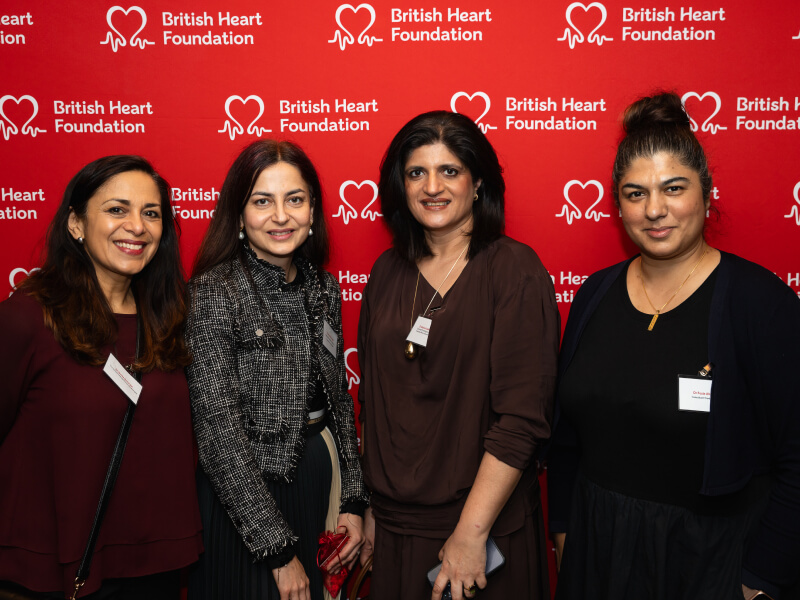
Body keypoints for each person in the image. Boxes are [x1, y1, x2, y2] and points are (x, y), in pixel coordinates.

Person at [547, 92, 800, 600]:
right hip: (599, 553)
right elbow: (566, 438)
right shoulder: (595, 293)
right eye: (635, 193)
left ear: (707, 193)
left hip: (713, 563)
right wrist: (566, 533)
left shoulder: (760, 302)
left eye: (673, 188)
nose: (654, 210)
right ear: (618, 205)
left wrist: (760, 582)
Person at [357, 111, 560, 600]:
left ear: (478, 182)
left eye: (449, 170)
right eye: (417, 172)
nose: (432, 187)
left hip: (480, 533)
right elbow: (375, 405)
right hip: (394, 526)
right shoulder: (386, 272)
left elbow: (521, 421)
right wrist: (372, 511)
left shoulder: (514, 270)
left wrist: (470, 535)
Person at [0, 155, 202, 598]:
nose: (137, 226)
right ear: (76, 224)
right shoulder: (27, 319)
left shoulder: (170, 318)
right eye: (117, 209)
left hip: (155, 568)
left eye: (151, 213)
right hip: (51, 572)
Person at [185, 140, 368, 600]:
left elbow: (339, 399)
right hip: (246, 498)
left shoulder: (323, 287)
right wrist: (277, 551)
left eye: (295, 199)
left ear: (313, 211)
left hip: (319, 479)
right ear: (239, 214)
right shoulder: (215, 291)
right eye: (262, 201)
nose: (281, 216)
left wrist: (352, 500)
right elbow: (218, 433)